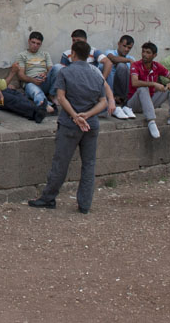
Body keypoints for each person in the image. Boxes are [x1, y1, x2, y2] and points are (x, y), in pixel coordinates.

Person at [29, 40, 110, 212]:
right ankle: (85, 204)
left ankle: (49, 198)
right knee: (89, 164)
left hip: (70, 124)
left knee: (61, 162)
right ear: (89, 55)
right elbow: (103, 102)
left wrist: (75, 116)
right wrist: (87, 115)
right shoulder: (96, 74)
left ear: (72, 54)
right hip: (91, 124)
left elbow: (61, 98)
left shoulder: (66, 72)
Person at [128, 42, 170, 139]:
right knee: (142, 88)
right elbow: (134, 82)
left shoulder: (156, 66)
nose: (144, 54)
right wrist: (154, 84)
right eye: (143, 52)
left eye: (148, 52)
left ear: (154, 55)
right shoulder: (136, 65)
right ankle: (151, 121)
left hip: (150, 102)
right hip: (134, 104)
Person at [8, 31, 57, 115]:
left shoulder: (45, 54)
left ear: (41, 44)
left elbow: (51, 70)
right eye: (33, 42)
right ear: (29, 41)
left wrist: (45, 74)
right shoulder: (22, 55)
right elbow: (21, 75)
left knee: (58, 67)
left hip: (44, 81)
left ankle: (51, 95)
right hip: (30, 83)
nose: (35, 45)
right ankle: (45, 105)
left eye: (38, 44)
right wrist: (33, 80)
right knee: (35, 91)